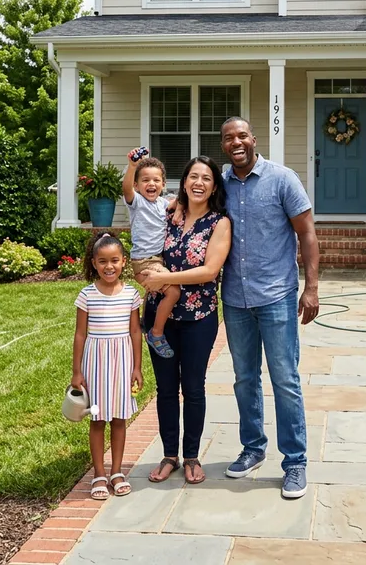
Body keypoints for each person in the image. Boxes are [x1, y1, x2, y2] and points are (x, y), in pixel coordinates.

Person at [218, 116, 320, 500]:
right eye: (229, 138)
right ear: (224, 145)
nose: (236, 142)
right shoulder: (220, 185)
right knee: (245, 379)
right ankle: (253, 448)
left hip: (277, 296)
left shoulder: (282, 178)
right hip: (235, 299)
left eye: (242, 135)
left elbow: (307, 233)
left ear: (254, 139)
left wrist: (311, 288)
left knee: (285, 380)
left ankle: (295, 462)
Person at [139, 156, 232, 486]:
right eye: (193, 176)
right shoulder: (167, 215)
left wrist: (168, 276)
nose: (199, 183)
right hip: (158, 317)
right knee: (165, 389)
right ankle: (169, 456)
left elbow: (209, 271)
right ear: (184, 181)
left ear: (214, 186)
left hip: (198, 318)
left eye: (206, 178)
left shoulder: (219, 223)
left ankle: (191, 456)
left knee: (193, 388)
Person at [71, 232, 143, 500]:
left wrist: (137, 367)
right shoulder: (86, 294)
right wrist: (77, 371)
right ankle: (99, 474)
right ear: (93, 263)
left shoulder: (131, 295)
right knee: (99, 418)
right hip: (96, 365)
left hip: (122, 364)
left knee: (120, 418)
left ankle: (117, 471)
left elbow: (136, 332)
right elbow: (80, 334)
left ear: (124, 261)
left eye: (114, 260)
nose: (109, 266)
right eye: (102, 261)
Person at [123, 150, 179, 359]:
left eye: (156, 180)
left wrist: (180, 205)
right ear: (137, 185)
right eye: (145, 180)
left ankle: (146, 320)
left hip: (158, 260)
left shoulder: (164, 204)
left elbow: (180, 200)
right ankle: (156, 333)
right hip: (144, 261)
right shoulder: (137, 203)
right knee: (173, 291)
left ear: (163, 184)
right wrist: (131, 167)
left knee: (159, 293)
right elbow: (126, 188)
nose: (151, 184)